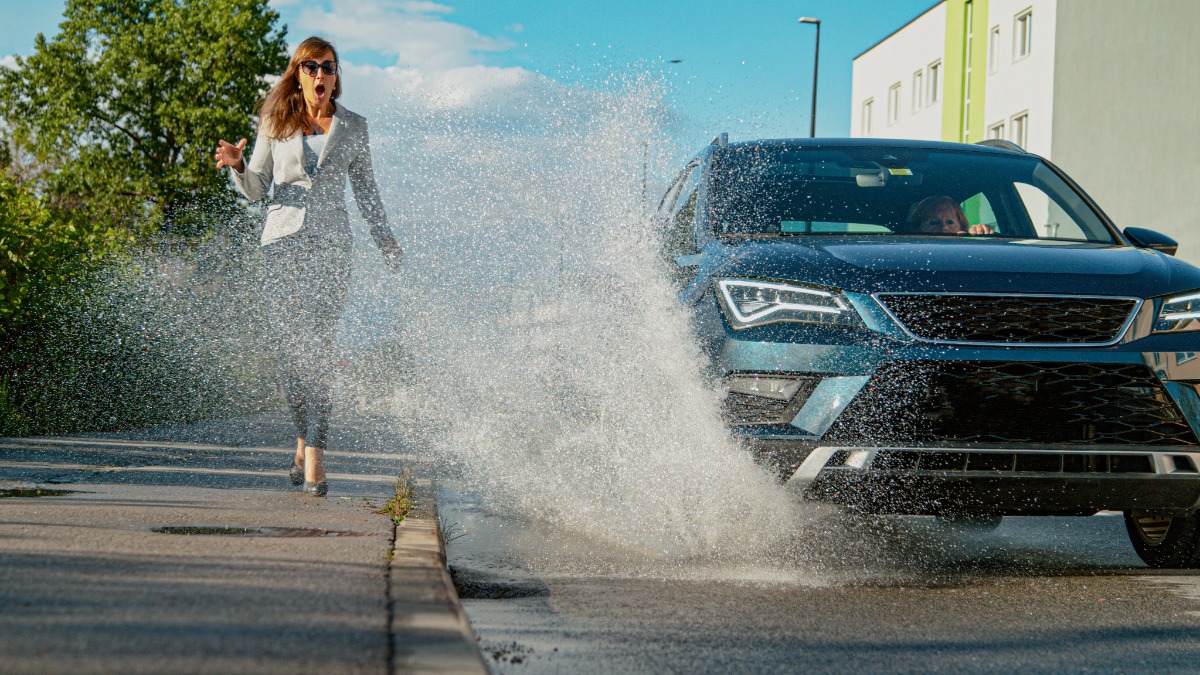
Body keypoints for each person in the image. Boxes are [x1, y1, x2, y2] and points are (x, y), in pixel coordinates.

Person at [213, 36, 402, 497]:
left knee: (316, 349)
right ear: (298, 74)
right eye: (312, 67)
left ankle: (315, 455)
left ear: (336, 77)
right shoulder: (275, 120)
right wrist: (238, 165)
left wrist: (385, 239)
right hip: (280, 245)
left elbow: (366, 191)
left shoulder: (355, 126)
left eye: (329, 67)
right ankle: (302, 435)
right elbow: (257, 187)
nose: (321, 75)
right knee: (288, 351)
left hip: (332, 249)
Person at [906, 195, 995, 235]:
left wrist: (982, 234)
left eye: (950, 222)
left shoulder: (968, 250)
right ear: (918, 229)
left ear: (962, 227)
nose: (944, 227)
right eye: (934, 222)